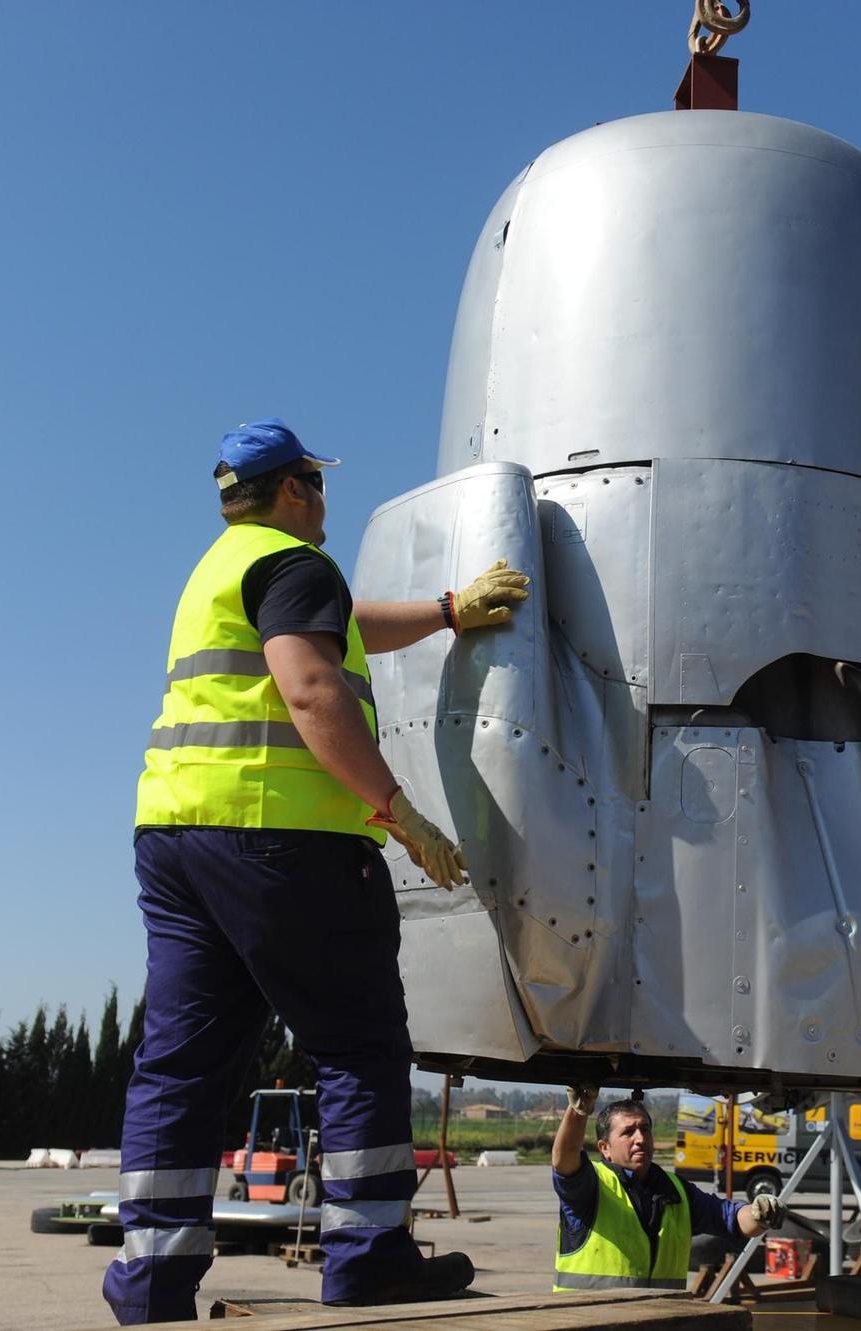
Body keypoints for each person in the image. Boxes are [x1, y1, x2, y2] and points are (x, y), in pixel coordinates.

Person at [106, 417, 530, 1323]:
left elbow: (334, 632)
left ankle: (150, 1278)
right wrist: (398, 811)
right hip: (283, 842)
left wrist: (448, 612)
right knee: (358, 1045)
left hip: (177, 839)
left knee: (180, 1065)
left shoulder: (222, 569)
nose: (325, 502)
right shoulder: (296, 565)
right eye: (319, 484)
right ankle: (370, 1255)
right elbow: (311, 683)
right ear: (295, 489)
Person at [550, 1087, 784, 1292]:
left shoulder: (675, 1190)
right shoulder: (591, 1187)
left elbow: (730, 1216)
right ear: (605, 1148)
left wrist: (759, 1213)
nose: (640, 1138)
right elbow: (564, 1161)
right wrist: (578, 1112)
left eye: (645, 1129)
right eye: (628, 1132)